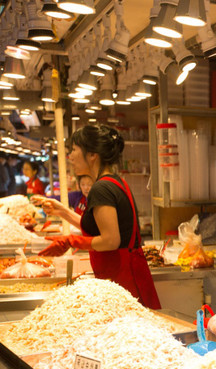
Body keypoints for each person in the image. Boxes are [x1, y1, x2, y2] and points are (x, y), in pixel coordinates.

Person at [38, 125, 160, 309]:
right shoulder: (114, 181)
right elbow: (97, 227)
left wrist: (71, 241)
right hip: (126, 275)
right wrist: (62, 211)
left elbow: (110, 240)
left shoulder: (101, 188)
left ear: (92, 154)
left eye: (74, 150)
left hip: (124, 280)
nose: (70, 157)